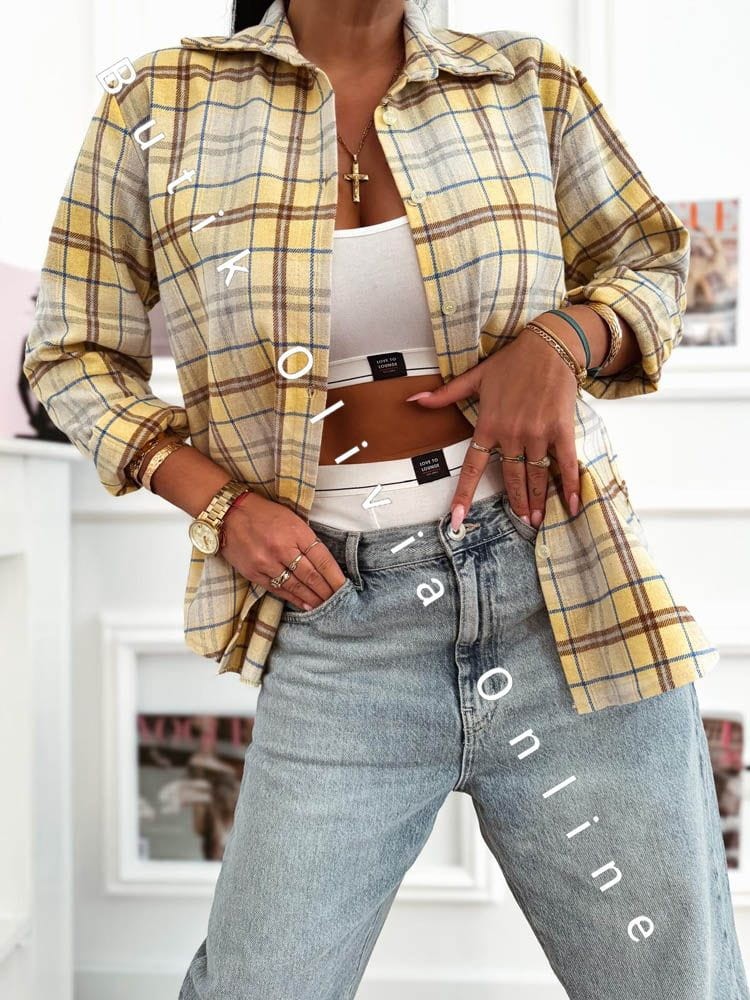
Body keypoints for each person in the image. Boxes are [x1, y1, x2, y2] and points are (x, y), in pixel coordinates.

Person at [23, 0, 749, 996]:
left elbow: (651, 262)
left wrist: (563, 341)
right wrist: (220, 505)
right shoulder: (160, 102)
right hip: (339, 624)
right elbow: (69, 353)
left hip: (564, 598)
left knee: (675, 980)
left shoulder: (524, 82)